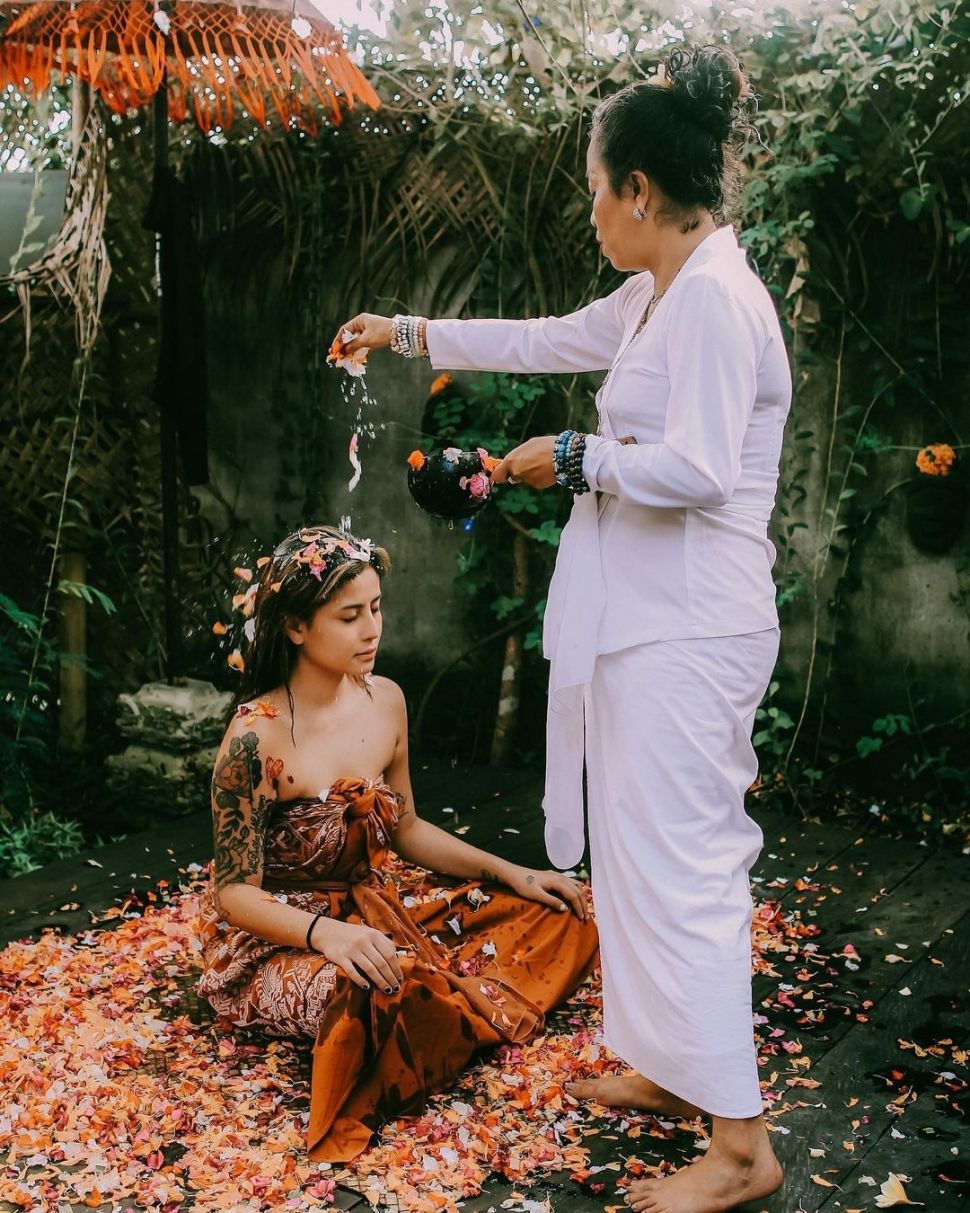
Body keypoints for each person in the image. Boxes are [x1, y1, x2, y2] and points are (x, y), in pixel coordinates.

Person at [334, 44, 791, 1213]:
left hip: (691, 627)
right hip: (643, 621)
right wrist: (405, 330)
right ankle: (669, 1067)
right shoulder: (656, 294)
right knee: (636, 865)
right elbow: (544, 336)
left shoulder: (720, 302)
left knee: (684, 869)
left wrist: (572, 456)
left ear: (639, 189)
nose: (588, 210)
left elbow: (691, 469)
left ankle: (741, 1149)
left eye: (594, 188)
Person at [197, 524, 598, 1162]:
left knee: (561, 913)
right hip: (277, 942)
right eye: (350, 616)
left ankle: (433, 1010)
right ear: (297, 627)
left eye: (377, 608)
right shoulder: (254, 739)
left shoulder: (387, 700)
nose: (372, 630)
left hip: (378, 911)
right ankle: (420, 1010)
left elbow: (406, 827)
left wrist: (513, 872)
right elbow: (233, 895)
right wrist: (326, 935)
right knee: (373, 989)